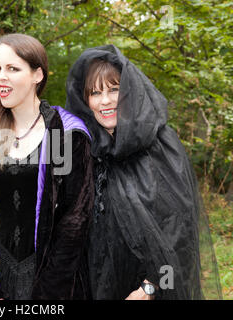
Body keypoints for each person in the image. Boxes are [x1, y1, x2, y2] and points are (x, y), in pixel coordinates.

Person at [65, 44, 222, 300]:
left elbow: (181, 235)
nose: (104, 101)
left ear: (129, 92)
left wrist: (150, 288)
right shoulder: (87, 152)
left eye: (114, 90)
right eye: (95, 93)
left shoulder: (160, 147)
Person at [0, 33, 94, 300]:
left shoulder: (65, 133)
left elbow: (75, 220)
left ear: (37, 75)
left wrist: (47, 292)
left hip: (51, 278)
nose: (1, 77)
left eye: (12, 68)